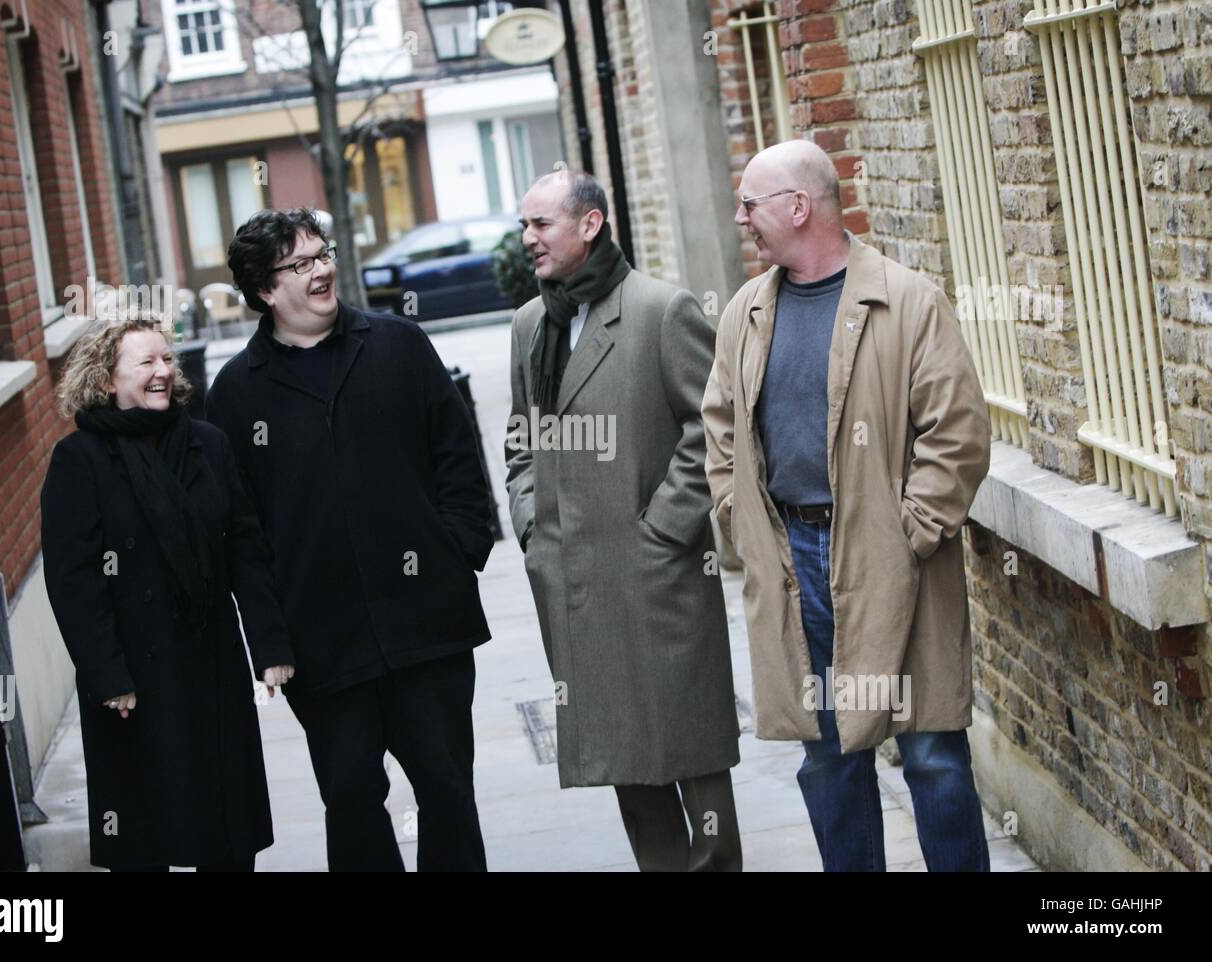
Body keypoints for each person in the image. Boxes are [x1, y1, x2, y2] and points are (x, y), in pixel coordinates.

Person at [701, 139, 993, 871]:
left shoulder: (908, 300)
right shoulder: (746, 312)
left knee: (930, 752)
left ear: (799, 208)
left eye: (751, 204)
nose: (741, 219)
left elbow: (957, 434)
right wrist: (742, 520)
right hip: (795, 562)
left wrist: (910, 533)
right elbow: (721, 427)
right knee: (827, 759)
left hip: (892, 556)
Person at [208, 208, 494, 872]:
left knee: (449, 790)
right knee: (351, 800)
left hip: (429, 627)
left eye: (323, 253)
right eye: (301, 264)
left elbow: (459, 458)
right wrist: (271, 639)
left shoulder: (396, 343)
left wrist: (458, 553)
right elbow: (241, 532)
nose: (322, 270)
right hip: (322, 643)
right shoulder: (235, 394)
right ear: (263, 291)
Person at [505, 171, 742, 872]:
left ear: (590, 224)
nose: (528, 240)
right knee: (625, 758)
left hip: (656, 575)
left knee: (690, 747)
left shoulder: (660, 311)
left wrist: (665, 530)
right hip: (575, 579)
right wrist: (531, 525)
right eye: (524, 226)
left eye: (541, 224)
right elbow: (521, 441)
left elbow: (715, 427)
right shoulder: (530, 326)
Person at [41, 312, 295, 872]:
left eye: (166, 359)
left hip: (211, 662)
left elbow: (245, 550)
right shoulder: (78, 460)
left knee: (226, 830)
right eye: (146, 362)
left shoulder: (207, 444)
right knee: (145, 832)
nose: (162, 371)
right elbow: (74, 580)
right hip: (131, 675)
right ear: (108, 380)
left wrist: (269, 645)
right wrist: (107, 676)